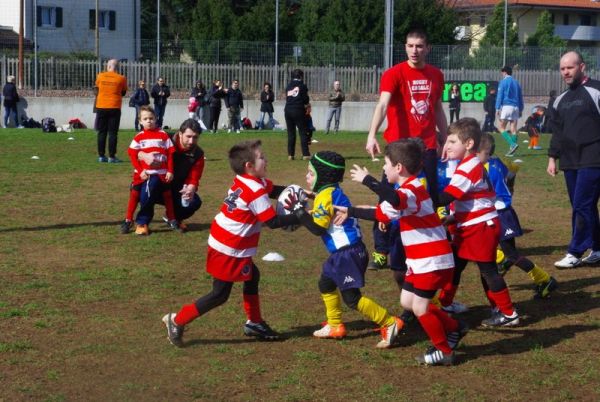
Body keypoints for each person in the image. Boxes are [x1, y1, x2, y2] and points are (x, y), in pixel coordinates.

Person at [161, 140, 305, 346]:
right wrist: (302, 215)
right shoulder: (254, 190)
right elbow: (272, 222)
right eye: (262, 157)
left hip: (226, 240)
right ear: (249, 166)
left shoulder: (247, 180)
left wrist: (299, 192)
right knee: (219, 294)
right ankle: (177, 320)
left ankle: (254, 322)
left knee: (252, 276)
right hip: (229, 248)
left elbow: (274, 190)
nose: (266, 159)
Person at [337, 140, 466, 365]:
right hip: (420, 260)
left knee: (419, 307)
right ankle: (454, 328)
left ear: (398, 168)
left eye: (386, 164)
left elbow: (396, 200)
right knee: (408, 301)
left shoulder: (413, 189)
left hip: (432, 259)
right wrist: (349, 211)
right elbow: (382, 213)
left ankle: (444, 350)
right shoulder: (403, 191)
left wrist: (368, 180)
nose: (384, 169)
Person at [287, 151, 403, 348]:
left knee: (352, 298)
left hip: (347, 254)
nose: (307, 177)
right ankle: (334, 325)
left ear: (323, 176)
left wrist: (299, 211)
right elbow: (326, 204)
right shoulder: (332, 190)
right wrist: (313, 196)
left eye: (311, 173)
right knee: (326, 283)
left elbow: (317, 229)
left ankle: (389, 322)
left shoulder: (326, 196)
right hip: (346, 252)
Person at [365, 28, 447, 272]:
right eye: (411, 45)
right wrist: (371, 135)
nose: (415, 50)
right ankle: (381, 251)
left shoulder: (436, 74)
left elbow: (438, 108)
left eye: (420, 46)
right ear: (405, 47)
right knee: (387, 197)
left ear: (428, 48)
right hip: (398, 148)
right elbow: (382, 105)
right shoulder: (394, 73)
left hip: (427, 146)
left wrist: (445, 136)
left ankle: (429, 243)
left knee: (429, 197)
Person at [437, 118, 519, 327]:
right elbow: (477, 199)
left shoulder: (468, 167)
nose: (447, 146)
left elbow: (447, 197)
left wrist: (416, 198)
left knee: (489, 270)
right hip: (470, 225)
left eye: (452, 142)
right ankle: (446, 303)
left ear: (469, 144)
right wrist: (455, 217)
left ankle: (508, 313)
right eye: (447, 141)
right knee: (455, 267)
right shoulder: (468, 164)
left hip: (480, 228)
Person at [478, 133, 558, 298]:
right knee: (502, 251)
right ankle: (504, 262)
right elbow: (511, 174)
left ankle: (545, 280)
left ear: (483, 151)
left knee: (511, 254)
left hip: (500, 214)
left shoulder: (485, 169)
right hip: (501, 212)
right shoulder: (497, 161)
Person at [547, 51, 600, 268]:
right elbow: (557, 133)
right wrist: (552, 158)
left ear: (582, 67)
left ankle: (575, 251)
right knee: (583, 206)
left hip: (593, 157)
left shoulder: (596, 90)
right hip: (569, 161)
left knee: (582, 204)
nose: (566, 72)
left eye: (570, 67)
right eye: (562, 68)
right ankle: (597, 248)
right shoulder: (560, 100)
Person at [124, 119, 205, 233]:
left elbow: (194, 177)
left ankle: (173, 218)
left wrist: (190, 188)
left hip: (175, 188)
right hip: (154, 181)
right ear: (180, 134)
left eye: (195, 137)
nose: (191, 141)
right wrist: (144, 155)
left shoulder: (198, 154)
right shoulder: (163, 137)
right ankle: (142, 223)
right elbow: (134, 150)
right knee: (151, 185)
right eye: (188, 136)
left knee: (194, 202)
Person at [122, 105, 177, 236]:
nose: (149, 121)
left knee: (168, 195)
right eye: (145, 119)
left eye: (151, 118)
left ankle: (172, 218)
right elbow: (132, 154)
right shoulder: (138, 137)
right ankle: (128, 220)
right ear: (140, 121)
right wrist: (140, 170)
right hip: (143, 175)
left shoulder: (163, 135)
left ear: (156, 119)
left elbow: (170, 154)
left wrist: (170, 170)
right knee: (134, 195)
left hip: (162, 174)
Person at [94, 59, 127, 163]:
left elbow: (97, 89)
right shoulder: (121, 78)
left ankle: (101, 156)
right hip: (114, 107)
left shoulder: (100, 76)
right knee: (113, 133)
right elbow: (123, 92)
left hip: (101, 106)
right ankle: (112, 157)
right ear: (117, 68)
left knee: (101, 132)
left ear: (107, 66)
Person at [495, 66, 524, 157]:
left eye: (502, 72)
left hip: (507, 106)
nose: (502, 74)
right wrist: (521, 108)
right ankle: (512, 152)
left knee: (501, 127)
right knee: (513, 129)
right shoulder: (516, 83)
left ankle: (512, 144)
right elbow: (520, 97)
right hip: (516, 107)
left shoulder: (503, 82)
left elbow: (500, 95)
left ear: (505, 72)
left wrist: (497, 108)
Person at [284, 69, 311, 161]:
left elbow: (287, 97)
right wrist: (307, 105)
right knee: (302, 132)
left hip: (288, 110)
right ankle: (305, 154)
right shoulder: (302, 86)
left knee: (291, 133)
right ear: (300, 76)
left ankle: (290, 154)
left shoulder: (288, 86)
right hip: (298, 110)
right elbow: (305, 99)